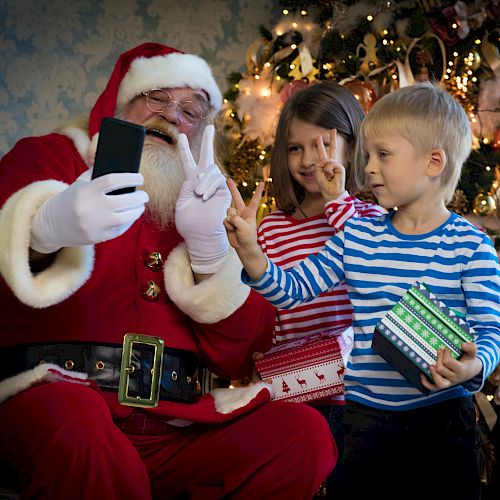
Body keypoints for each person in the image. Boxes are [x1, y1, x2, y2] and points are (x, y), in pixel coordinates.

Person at [0, 42, 336, 499]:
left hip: (179, 425)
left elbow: (241, 357)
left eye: (191, 110)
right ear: (119, 104)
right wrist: (43, 228)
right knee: (80, 432)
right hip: (62, 399)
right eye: (156, 98)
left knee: (301, 437)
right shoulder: (52, 156)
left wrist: (212, 253)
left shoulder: (205, 200)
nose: (172, 116)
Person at [225, 82, 500, 499]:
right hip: (365, 423)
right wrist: (252, 254)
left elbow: (490, 335)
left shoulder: (472, 246)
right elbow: (293, 289)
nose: (368, 169)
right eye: (368, 155)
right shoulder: (357, 234)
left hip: (443, 421)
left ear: (433, 162)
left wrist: (472, 366)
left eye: (382, 156)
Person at [255, 81, 385, 496]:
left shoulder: (367, 215)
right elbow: (266, 307)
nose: (311, 160)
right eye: (296, 148)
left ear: (352, 145)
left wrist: (337, 202)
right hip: (296, 390)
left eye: (324, 144)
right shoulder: (273, 227)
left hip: (359, 397)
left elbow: (375, 270)